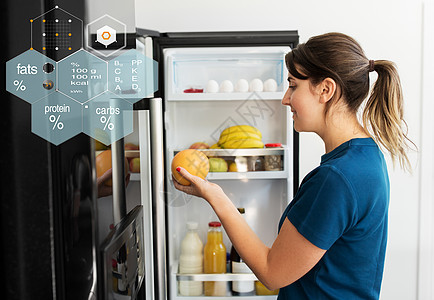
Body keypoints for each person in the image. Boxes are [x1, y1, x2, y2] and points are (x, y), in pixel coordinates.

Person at [173, 32, 414, 299]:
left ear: (326, 90)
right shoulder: (366, 157)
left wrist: (216, 197)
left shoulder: (336, 178)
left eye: (293, 85)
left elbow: (271, 272)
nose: (285, 99)